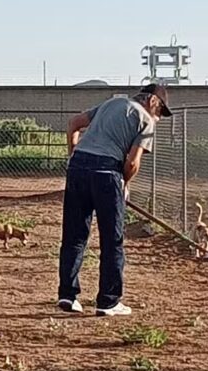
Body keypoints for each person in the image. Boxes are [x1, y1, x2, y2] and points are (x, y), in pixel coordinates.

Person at [57, 84, 172, 316]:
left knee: (74, 236)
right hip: (107, 174)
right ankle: (108, 301)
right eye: (160, 112)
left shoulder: (111, 103)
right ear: (152, 102)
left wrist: (74, 156)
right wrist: (124, 184)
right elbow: (132, 163)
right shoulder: (145, 121)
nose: (158, 118)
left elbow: (74, 124)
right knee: (112, 240)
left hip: (78, 169)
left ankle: (67, 295)